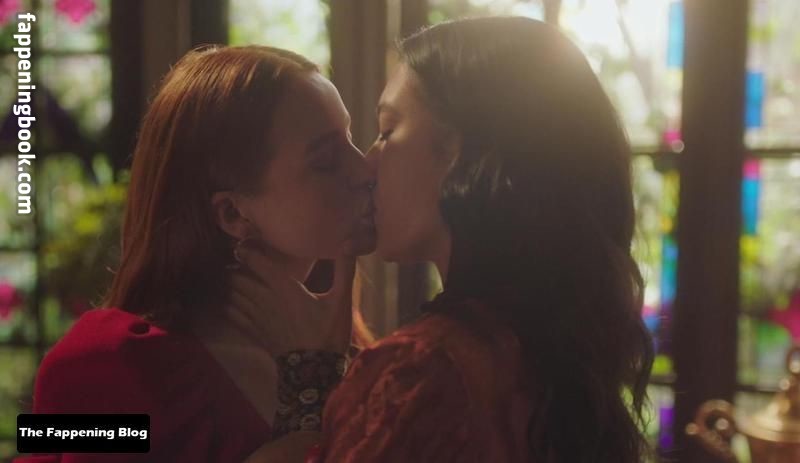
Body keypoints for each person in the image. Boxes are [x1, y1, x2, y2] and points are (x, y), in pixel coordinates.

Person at [234, 16, 654, 462]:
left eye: (387, 132)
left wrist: (310, 380)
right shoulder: (545, 344)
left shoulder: (423, 372)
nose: (365, 166)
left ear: (458, 152)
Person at [14, 45, 375, 463]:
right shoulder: (106, 366)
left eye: (351, 139)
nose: (365, 169)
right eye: (327, 160)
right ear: (232, 213)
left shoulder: (358, 355)